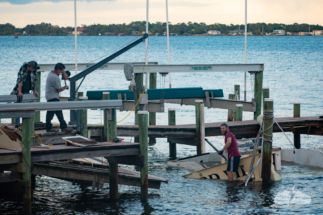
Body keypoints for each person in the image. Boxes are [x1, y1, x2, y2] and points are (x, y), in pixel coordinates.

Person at [11, 61, 40, 128]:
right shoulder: (23, 69)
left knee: (28, 107)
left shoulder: (34, 71)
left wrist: (35, 91)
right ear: (29, 67)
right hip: (20, 90)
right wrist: (20, 91)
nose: (34, 70)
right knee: (18, 107)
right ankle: (17, 124)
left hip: (27, 90)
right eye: (33, 69)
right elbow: (20, 80)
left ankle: (26, 124)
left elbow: (34, 80)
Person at [45, 63, 72, 132]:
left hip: (51, 96)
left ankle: (63, 126)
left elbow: (60, 75)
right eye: (61, 70)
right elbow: (59, 89)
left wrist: (64, 73)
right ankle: (49, 127)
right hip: (52, 97)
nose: (62, 72)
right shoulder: (55, 77)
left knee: (59, 111)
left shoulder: (51, 73)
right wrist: (65, 87)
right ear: (58, 69)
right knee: (51, 112)